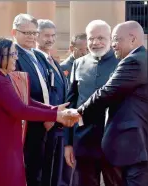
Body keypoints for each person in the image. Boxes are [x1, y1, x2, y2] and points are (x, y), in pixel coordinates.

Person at [0, 37, 79, 186]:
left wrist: (54, 109)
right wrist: (57, 115)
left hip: (8, 144)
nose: (16, 58)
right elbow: (20, 110)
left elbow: (24, 101)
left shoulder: (1, 76)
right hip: (2, 148)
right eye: (12, 55)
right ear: (0, 56)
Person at [77, 21, 148, 186]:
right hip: (133, 147)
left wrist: (77, 113)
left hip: (133, 147)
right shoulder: (140, 58)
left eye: (116, 39)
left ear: (132, 39)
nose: (113, 45)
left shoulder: (134, 61)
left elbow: (107, 93)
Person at [65, 20, 122, 186]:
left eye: (101, 38)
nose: (95, 42)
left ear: (111, 39)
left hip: (115, 141)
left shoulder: (123, 63)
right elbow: (71, 103)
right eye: (91, 38)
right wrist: (68, 143)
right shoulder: (78, 64)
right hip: (84, 142)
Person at [12, 13, 54, 186]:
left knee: (39, 170)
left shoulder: (35, 54)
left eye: (34, 33)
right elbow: (19, 93)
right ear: (14, 32)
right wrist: (46, 114)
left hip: (42, 121)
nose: (31, 37)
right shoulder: (12, 55)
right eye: (26, 33)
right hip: (26, 123)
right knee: (28, 171)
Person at [36, 19, 71, 186]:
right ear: (37, 36)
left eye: (53, 36)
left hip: (59, 127)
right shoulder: (35, 60)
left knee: (56, 176)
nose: (50, 39)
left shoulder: (53, 60)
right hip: (46, 126)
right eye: (46, 35)